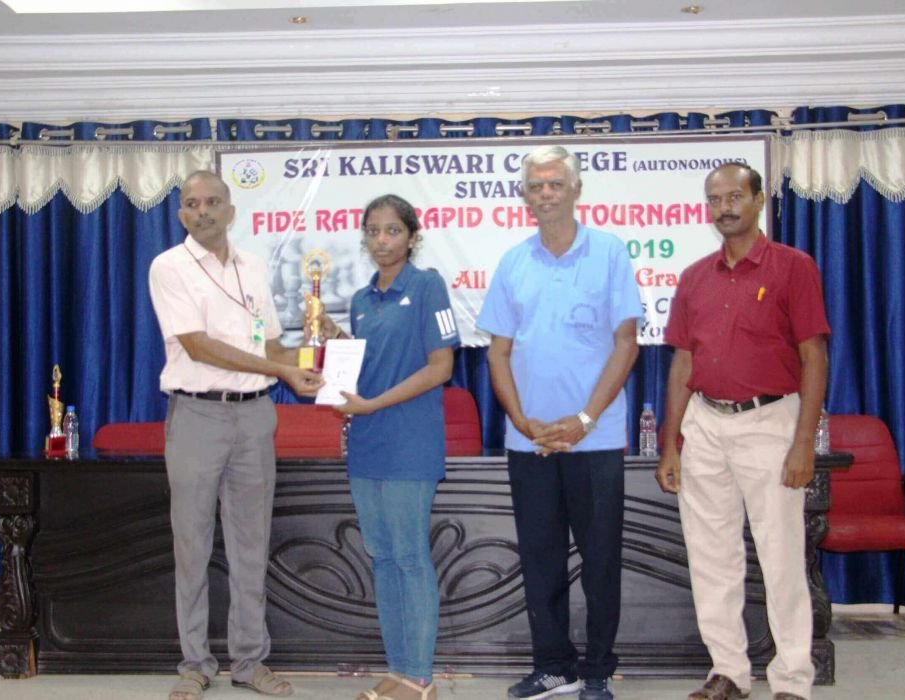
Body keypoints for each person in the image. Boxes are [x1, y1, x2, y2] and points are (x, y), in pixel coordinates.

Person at [655, 163, 829, 700]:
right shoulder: (694, 277)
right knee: (711, 557)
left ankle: (792, 679)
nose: (724, 207)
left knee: (781, 557)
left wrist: (803, 443)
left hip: (770, 422)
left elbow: (814, 356)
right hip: (704, 423)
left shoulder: (793, 267)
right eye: (715, 199)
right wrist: (671, 443)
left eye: (735, 196)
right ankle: (728, 671)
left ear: (758, 201)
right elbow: (683, 364)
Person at [148, 170, 324, 700]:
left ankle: (250, 662)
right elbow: (198, 346)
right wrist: (284, 371)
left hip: (254, 417)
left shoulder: (253, 266)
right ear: (181, 214)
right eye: (191, 203)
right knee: (192, 546)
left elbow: (269, 346)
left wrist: (319, 356)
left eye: (212, 202)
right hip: (197, 417)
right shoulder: (169, 266)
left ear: (231, 211)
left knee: (252, 546)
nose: (202, 211)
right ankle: (194, 665)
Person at [476, 145, 642, 700]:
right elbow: (498, 353)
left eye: (554, 184)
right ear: (524, 196)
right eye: (535, 186)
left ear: (575, 190)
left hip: (595, 439)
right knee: (541, 560)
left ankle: (597, 670)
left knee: (600, 562)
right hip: (531, 442)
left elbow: (626, 344)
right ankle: (553, 666)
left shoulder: (609, 252)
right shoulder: (513, 263)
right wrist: (522, 421)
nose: (545, 193)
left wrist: (585, 418)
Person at [315, 194, 460, 700]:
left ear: (412, 236)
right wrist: (332, 337)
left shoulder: (426, 286)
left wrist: (373, 404)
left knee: (410, 556)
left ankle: (420, 678)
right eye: (373, 231)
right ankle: (400, 670)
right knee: (382, 557)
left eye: (393, 230)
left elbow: (440, 368)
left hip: (409, 442)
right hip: (367, 443)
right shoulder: (361, 299)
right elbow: (367, 365)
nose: (382, 240)